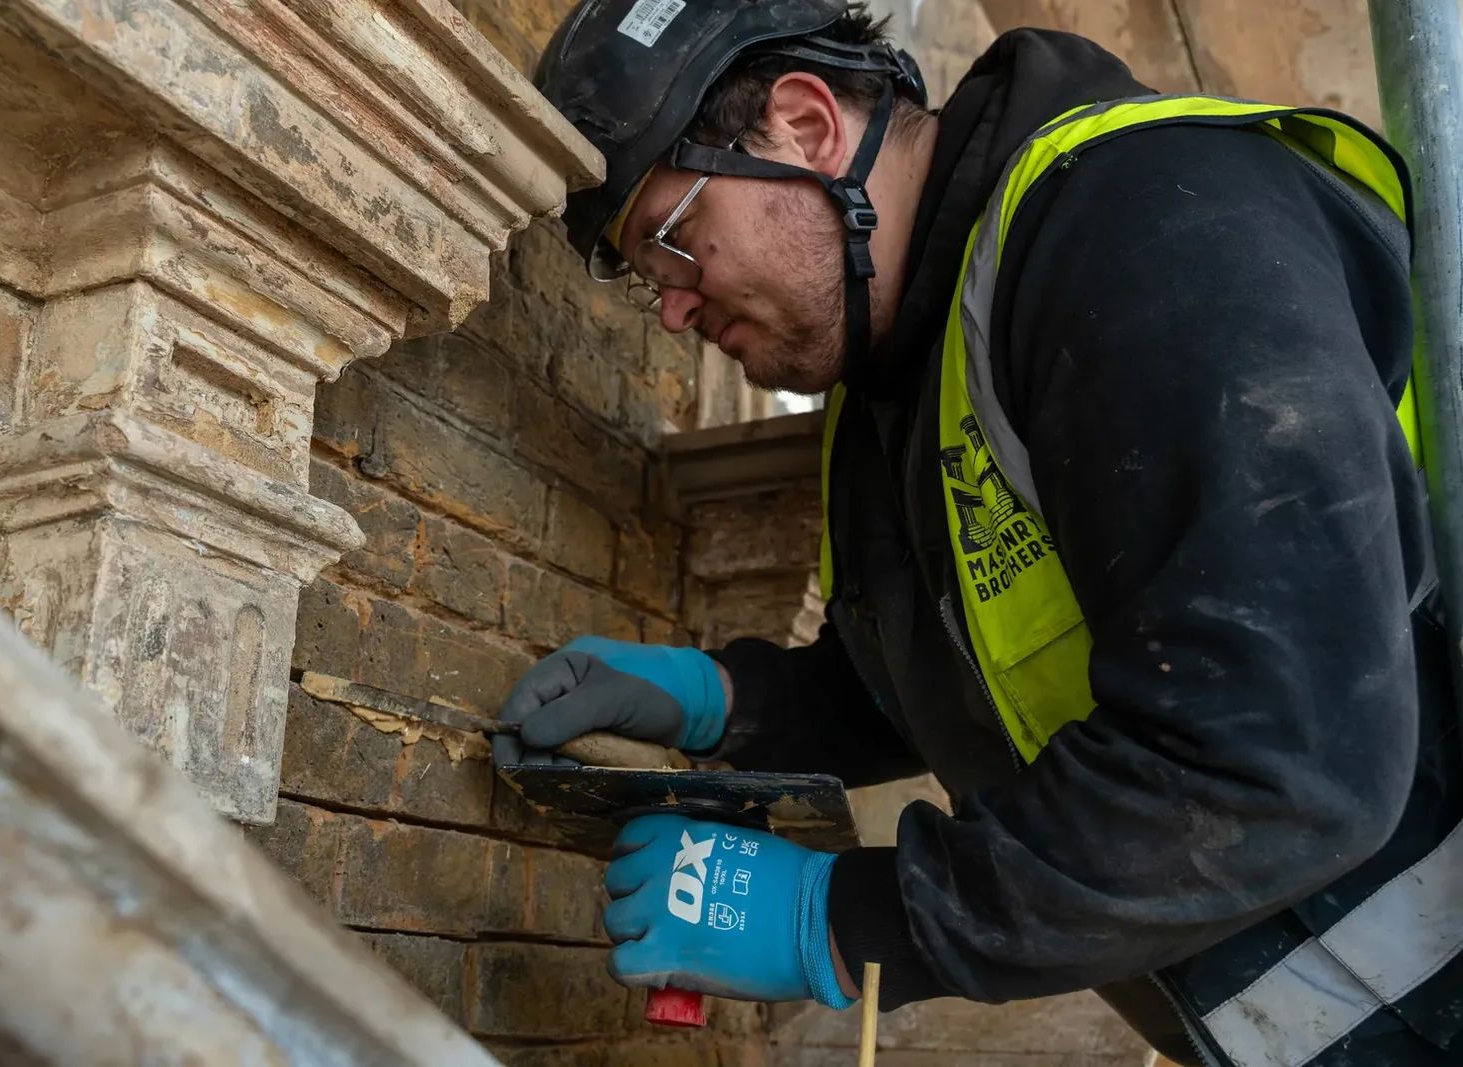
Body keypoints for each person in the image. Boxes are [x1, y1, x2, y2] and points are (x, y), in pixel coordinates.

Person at [491, 1, 1463, 1063]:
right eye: (646, 283)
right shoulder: (894, 385)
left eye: (672, 244)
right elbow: (937, 684)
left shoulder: (1147, 228)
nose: (673, 309)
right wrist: (716, 699)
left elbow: (1283, 752)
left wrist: (838, 921)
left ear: (806, 126)